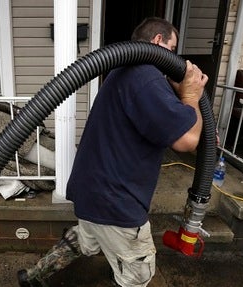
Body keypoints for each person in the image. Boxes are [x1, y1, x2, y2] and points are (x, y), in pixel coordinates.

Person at [18, 17, 208, 287]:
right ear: (157, 41)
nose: (174, 58)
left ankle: (34, 277)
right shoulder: (146, 75)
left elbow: (165, 121)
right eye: (172, 47)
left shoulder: (124, 70)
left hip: (92, 190)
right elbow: (187, 141)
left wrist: (185, 106)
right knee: (138, 274)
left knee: (85, 239)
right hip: (117, 201)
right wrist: (191, 98)